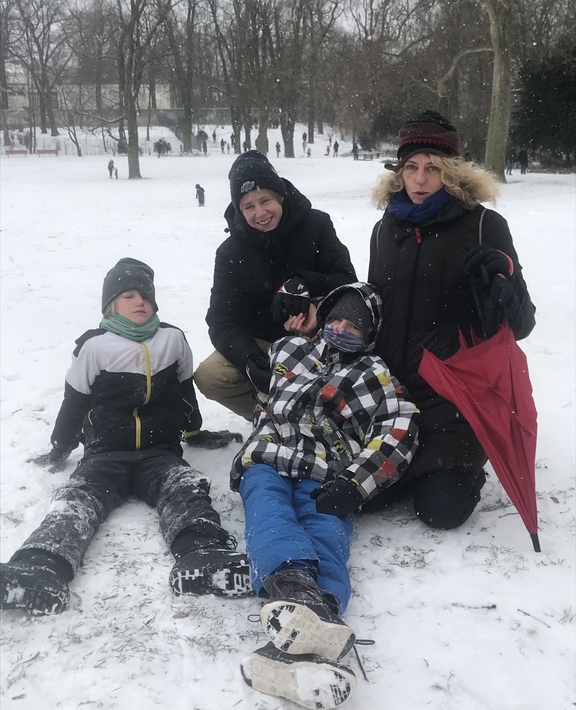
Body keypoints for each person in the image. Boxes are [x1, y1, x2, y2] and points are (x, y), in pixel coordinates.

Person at [0, 258, 252, 616]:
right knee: (77, 502)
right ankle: (38, 568)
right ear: (110, 305)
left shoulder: (172, 339)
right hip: (105, 455)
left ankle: (204, 555)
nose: (140, 302)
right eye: (129, 296)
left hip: (159, 454)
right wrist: (60, 447)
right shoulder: (94, 348)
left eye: (146, 296)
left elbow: (184, 393)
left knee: (185, 490)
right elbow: (74, 402)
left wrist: (194, 431)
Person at [232, 283, 419, 710]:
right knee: (269, 509)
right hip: (270, 457)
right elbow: (267, 401)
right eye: (334, 319)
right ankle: (298, 588)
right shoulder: (290, 350)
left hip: (326, 470)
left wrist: (355, 483)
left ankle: (308, 628)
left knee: (325, 527)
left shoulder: (373, 372)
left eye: (353, 325)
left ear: (370, 334)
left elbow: (399, 428)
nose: (340, 329)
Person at [367, 109, 536, 530]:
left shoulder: (482, 226)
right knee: (364, 499)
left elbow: (524, 322)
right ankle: (406, 463)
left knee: (441, 512)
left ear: (451, 172)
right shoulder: (385, 228)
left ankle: (458, 467)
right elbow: (375, 306)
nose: (420, 179)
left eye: (432, 168)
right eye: (411, 167)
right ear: (399, 172)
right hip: (391, 397)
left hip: (454, 400)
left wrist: (504, 286)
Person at [194, 150, 357, 421]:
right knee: (210, 376)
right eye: (248, 206)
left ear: (280, 194)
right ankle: (271, 418)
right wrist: (248, 359)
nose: (260, 213)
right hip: (263, 342)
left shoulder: (317, 225)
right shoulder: (230, 252)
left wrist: (307, 284)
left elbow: (348, 281)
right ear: (239, 210)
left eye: (265, 200)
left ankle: (332, 416)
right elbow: (222, 318)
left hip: (318, 333)